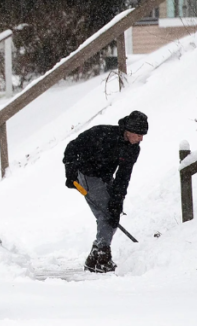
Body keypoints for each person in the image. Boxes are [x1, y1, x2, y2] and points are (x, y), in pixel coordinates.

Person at [62, 110, 147, 273]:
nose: (141, 138)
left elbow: (123, 176)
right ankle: (101, 256)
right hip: (87, 175)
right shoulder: (102, 133)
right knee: (106, 216)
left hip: (105, 177)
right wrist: (70, 171)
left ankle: (96, 256)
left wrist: (118, 201)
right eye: (139, 134)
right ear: (129, 131)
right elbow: (72, 147)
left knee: (112, 214)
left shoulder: (133, 149)